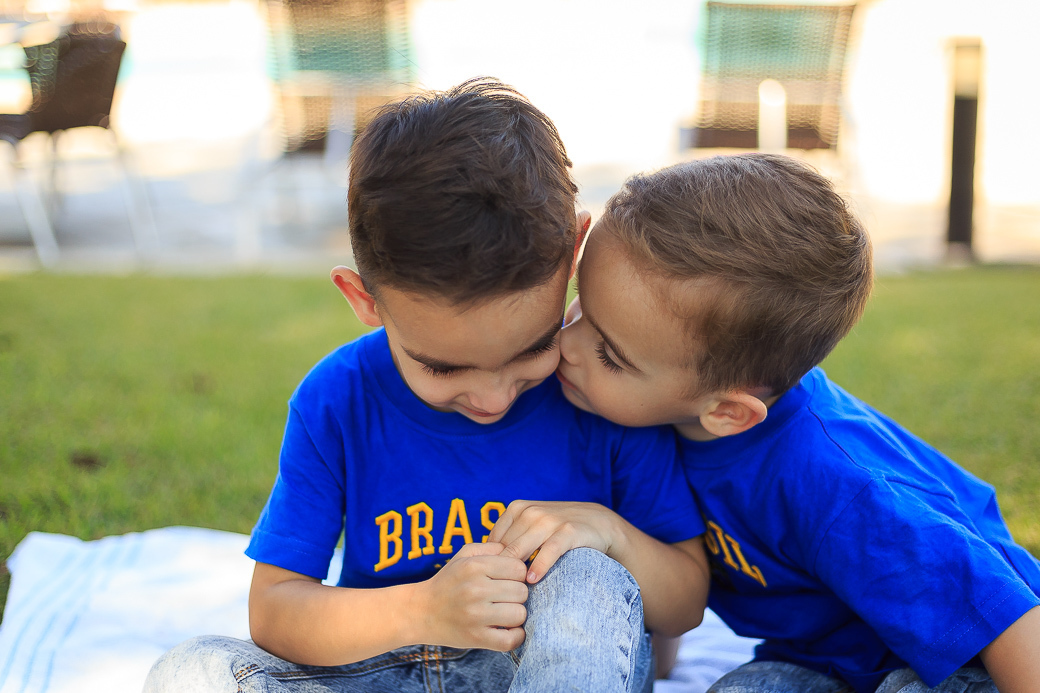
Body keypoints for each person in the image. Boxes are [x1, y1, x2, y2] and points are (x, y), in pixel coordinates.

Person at [143, 78, 708, 693]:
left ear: (573, 251)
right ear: (366, 301)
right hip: (386, 661)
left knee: (588, 578)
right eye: (443, 368)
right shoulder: (338, 400)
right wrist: (421, 611)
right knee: (193, 672)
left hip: (541, 668)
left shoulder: (603, 393)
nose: (491, 400)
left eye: (534, 348)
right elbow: (276, 609)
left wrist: (609, 532)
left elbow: (685, 603)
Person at [554, 153, 1040, 693]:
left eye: (610, 355)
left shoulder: (834, 484)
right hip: (812, 660)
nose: (565, 346)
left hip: (955, 665)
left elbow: (1009, 616)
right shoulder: (647, 419)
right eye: (579, 307)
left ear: (727, 412)